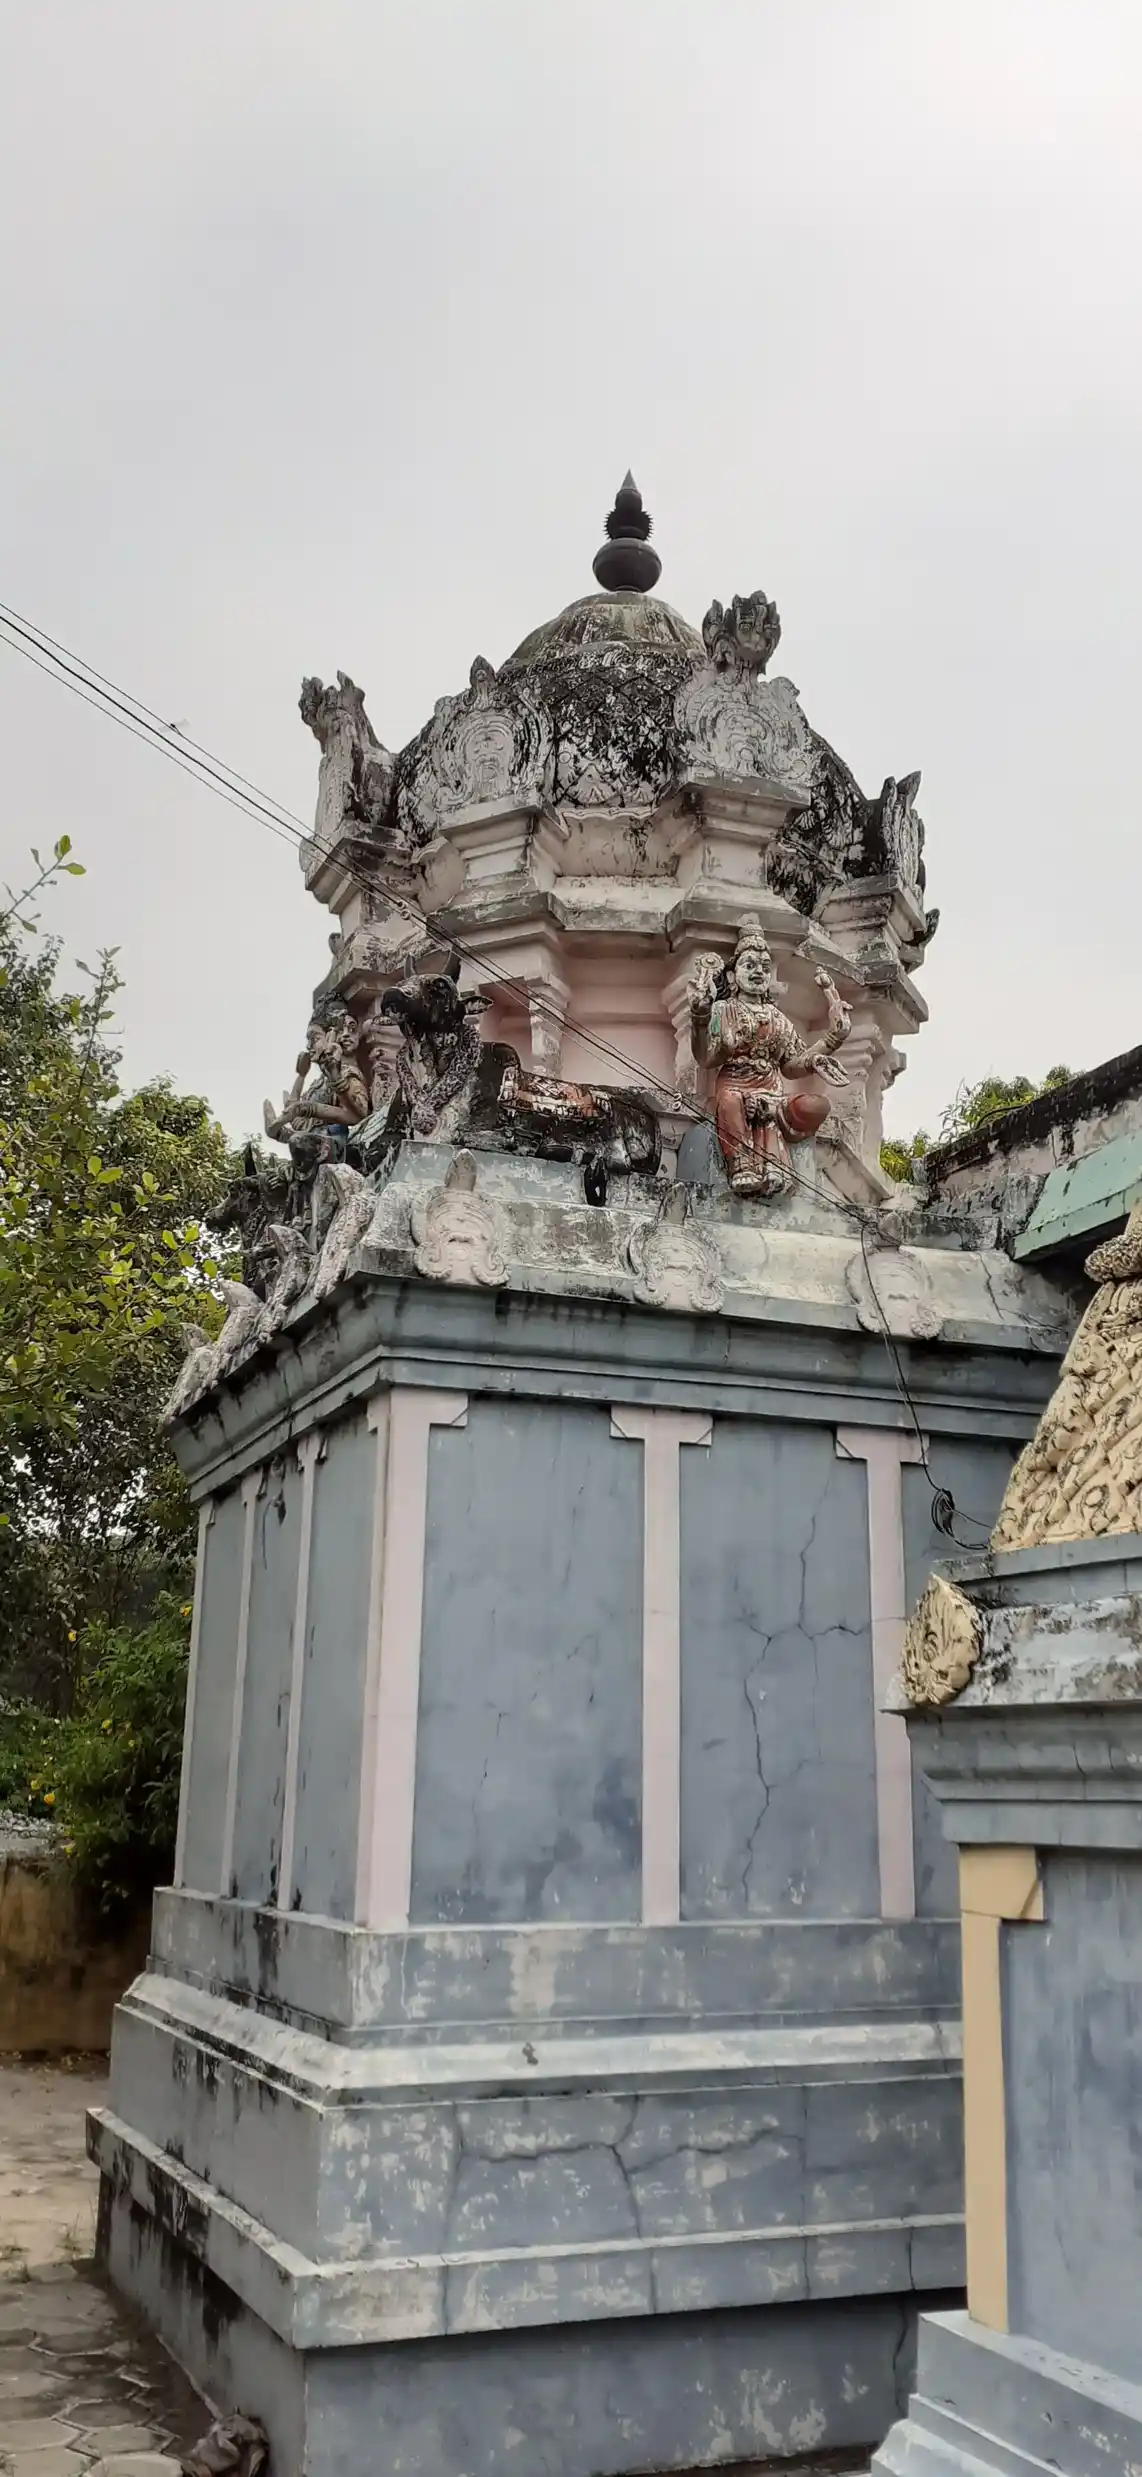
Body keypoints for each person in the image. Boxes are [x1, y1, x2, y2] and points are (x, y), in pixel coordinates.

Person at [689, 918, 849, 1199]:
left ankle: (768, 1115)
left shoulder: (778, 1018)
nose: (758, 973)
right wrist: (701, 1017)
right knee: (730, 1102)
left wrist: (831, 1041)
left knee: (817, 1105)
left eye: (764, 968)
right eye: (749, 965)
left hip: (772, 1091)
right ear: (732, 974)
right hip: (735, 1084)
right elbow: (705, 1057)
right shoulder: (724, 1009)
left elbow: (791, 1065)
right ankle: (743, 1166)